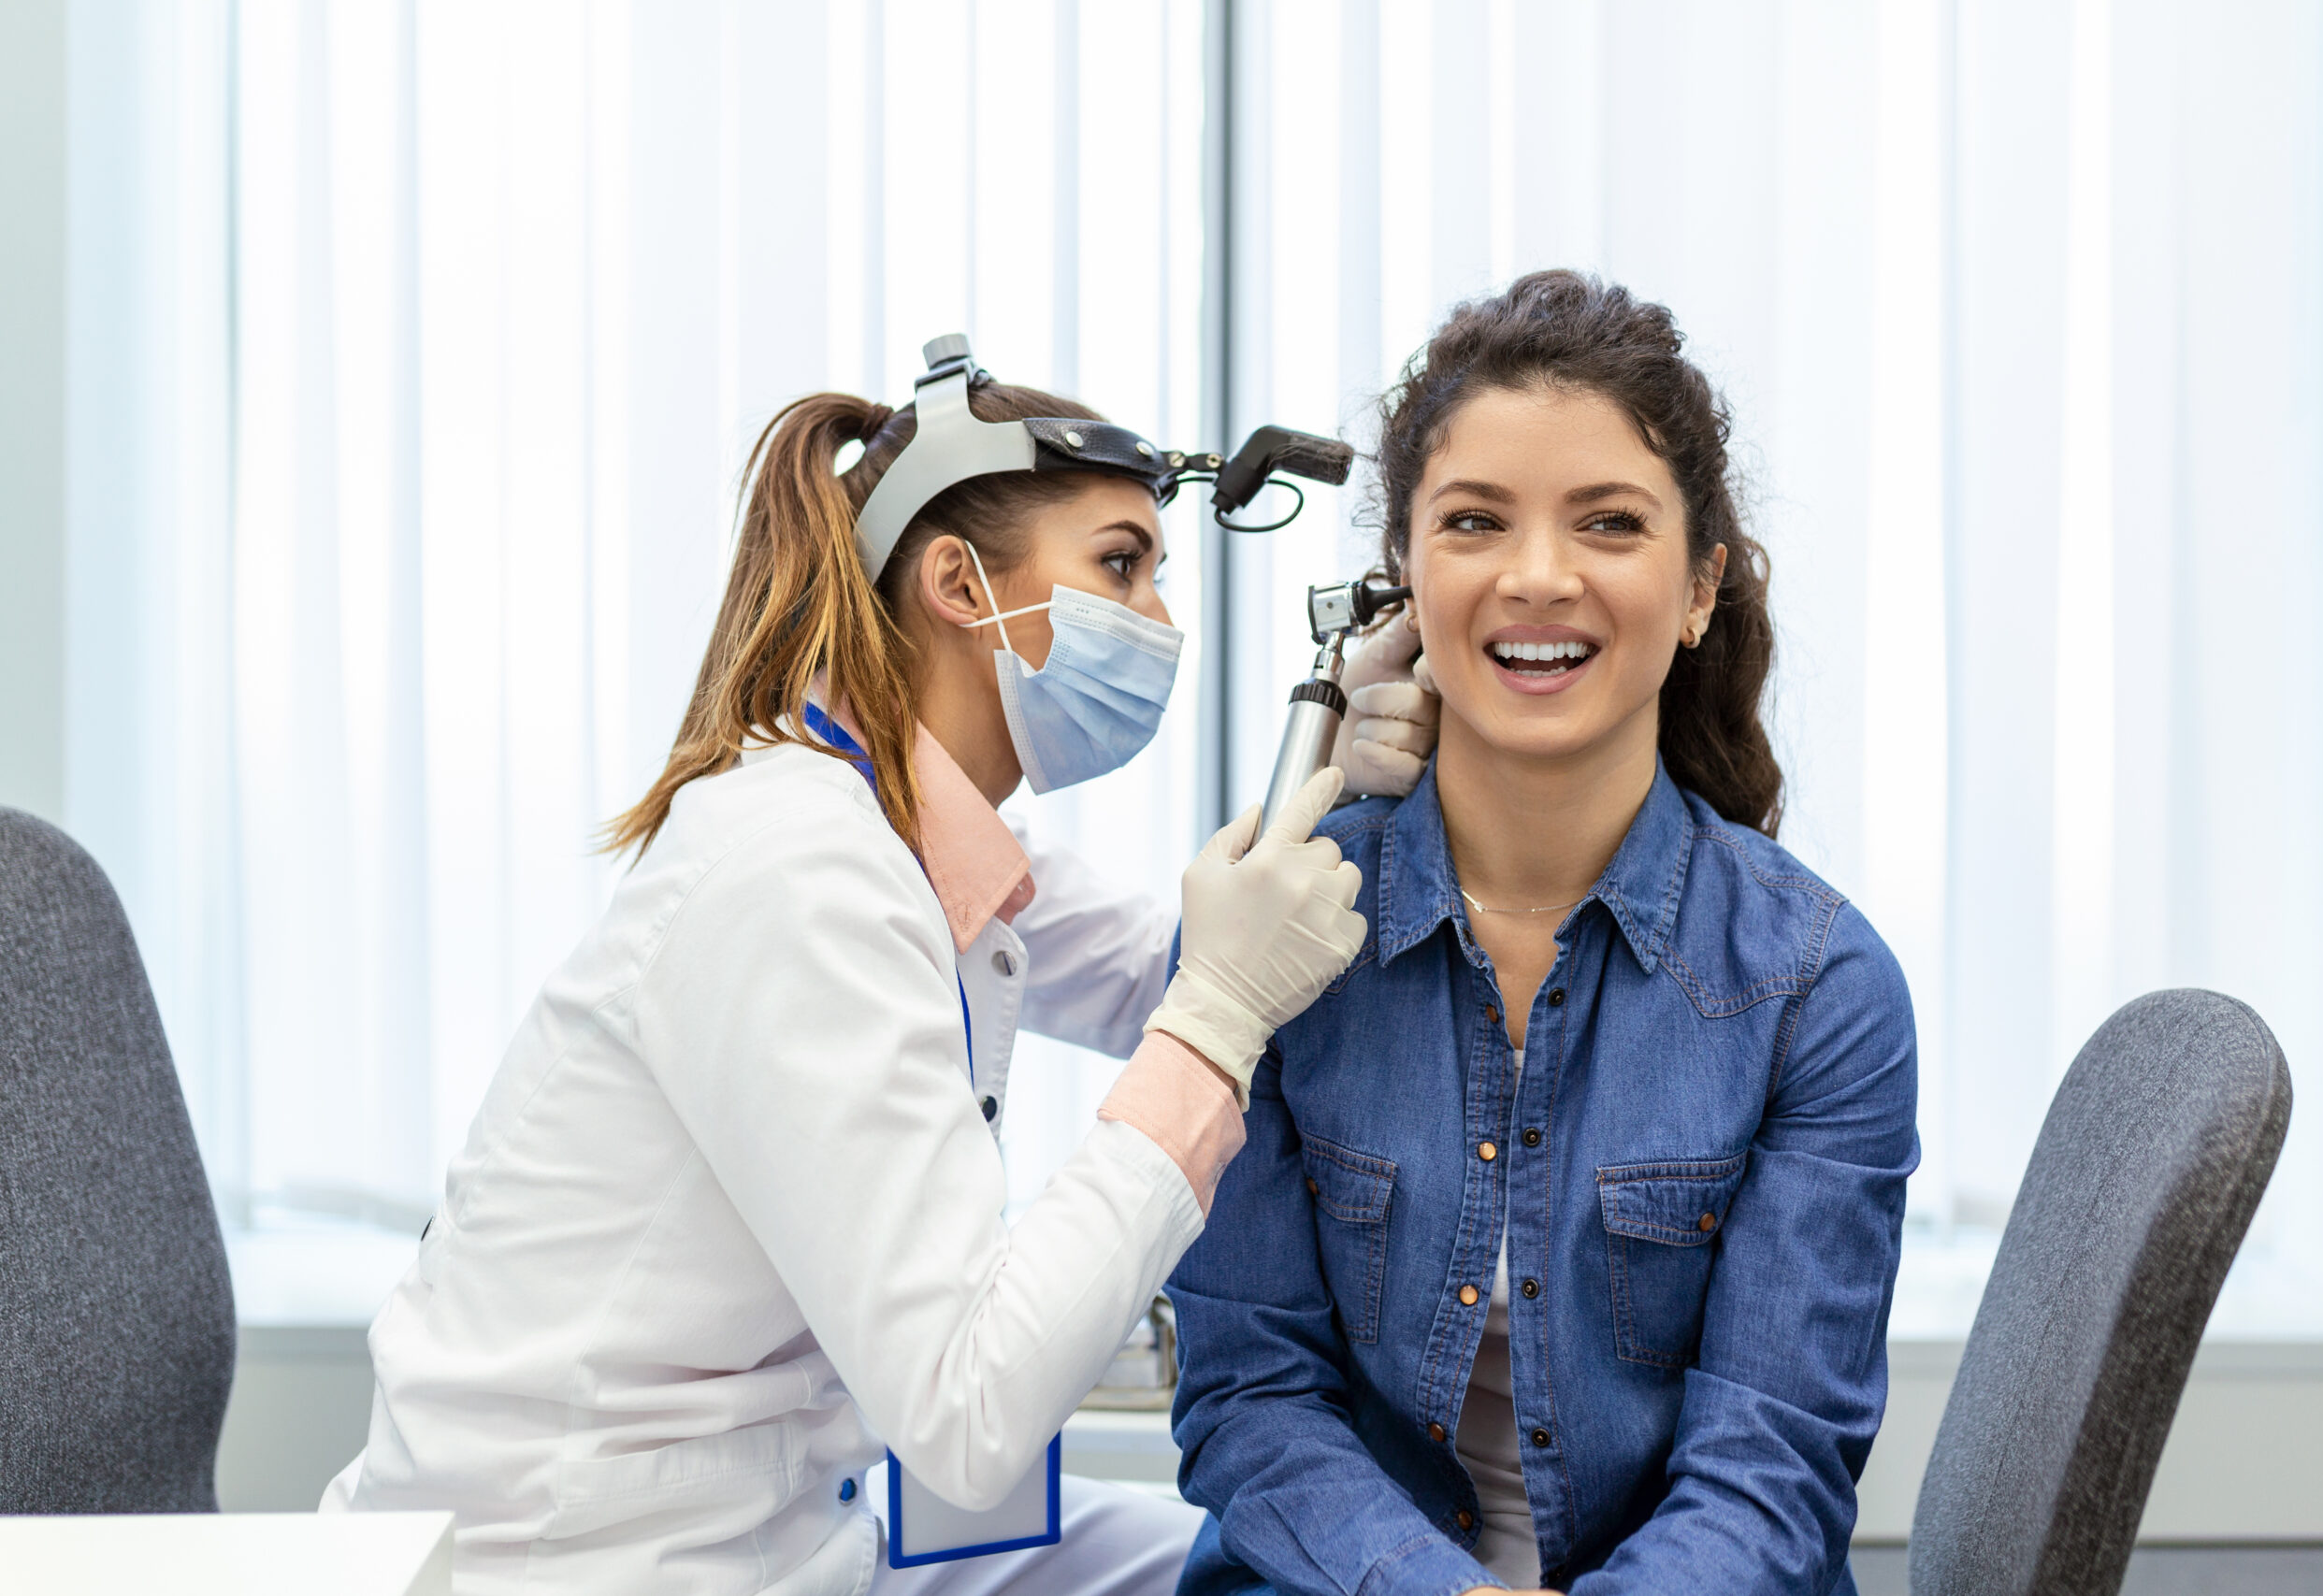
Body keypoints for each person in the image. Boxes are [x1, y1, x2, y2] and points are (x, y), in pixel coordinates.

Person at [321, 340, 1437, 1596]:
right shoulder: (800, 872)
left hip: (795, 1530)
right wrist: (1221, 1009)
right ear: (959, 584)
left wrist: (1332, 761)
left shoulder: (904, 832)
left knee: (1234, 1567)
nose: (1162, 627)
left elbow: (1173, 969)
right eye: (1120, 567)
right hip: (593, 1564)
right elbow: (972, 1410)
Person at [1167, 272, 1920, 1596]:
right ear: (1404, 577)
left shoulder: (1817, 988)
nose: (1538, 576)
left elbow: (1773, 1467)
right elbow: (1251, 1403)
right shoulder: (1269, 945)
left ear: (1697, 592)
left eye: (1609, 524)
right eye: (1474, 522)